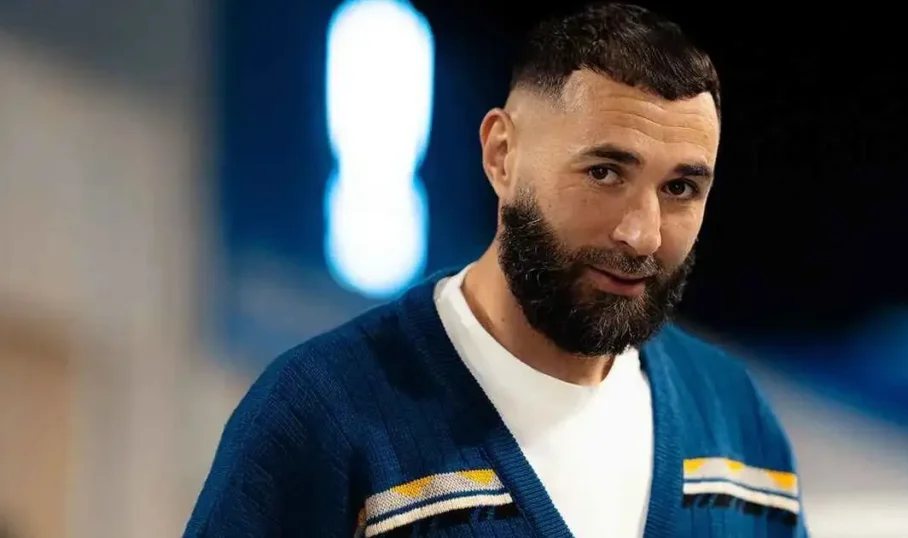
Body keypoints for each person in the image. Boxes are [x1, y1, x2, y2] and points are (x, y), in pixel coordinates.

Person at [184, 3, 808, 537]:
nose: (642, 233)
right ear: (501, 155)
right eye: (604, 173)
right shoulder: (322, 414)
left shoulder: (736, 424)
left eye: (680, 189)